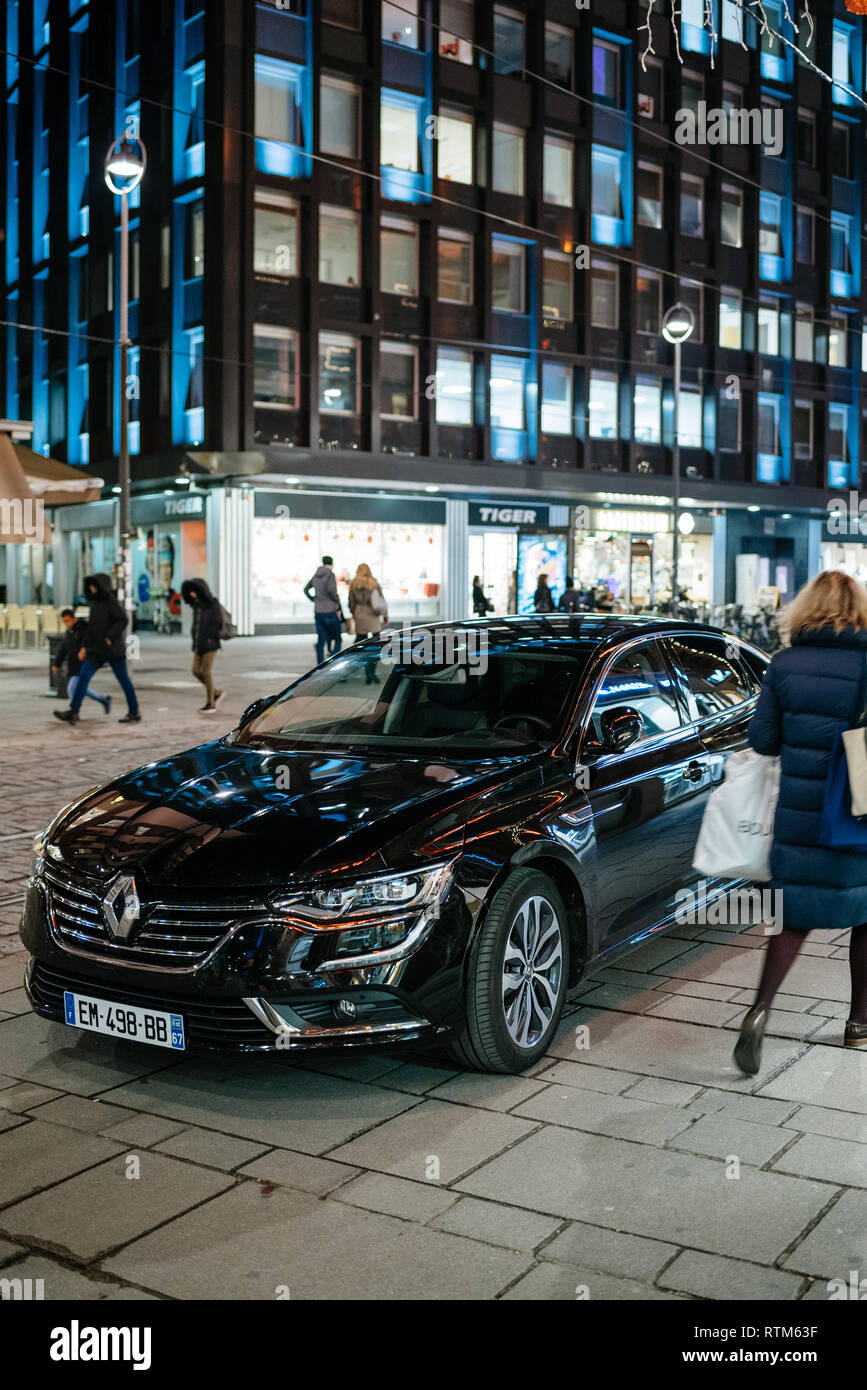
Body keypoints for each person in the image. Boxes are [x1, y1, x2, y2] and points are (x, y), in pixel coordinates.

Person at [734, 570, 867, 1074]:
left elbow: (764, 740)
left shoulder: (784, 664)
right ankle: (859, 1022)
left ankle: (760, 1010)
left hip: (800, 818)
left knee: (792, 918)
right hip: (860, 813)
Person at [53, 573, 140, 724]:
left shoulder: (110, 602)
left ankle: (134, 712)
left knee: (124, 680)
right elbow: (91, 629)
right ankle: (74, 711)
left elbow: (122, 620)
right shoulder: (94, 604)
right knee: (83, 678)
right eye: (90, 586)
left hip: (112, 651)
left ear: (101, 586)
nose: (92, 589)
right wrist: (84, 647)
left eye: (95, 586)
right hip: (96, 651)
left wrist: (109, 638)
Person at [52, 608, 111, 715]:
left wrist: (85, 651)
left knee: (72, 689)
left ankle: (74, 712)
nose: (66, 624)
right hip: (74, 666)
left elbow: (91, 643)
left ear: (74, 619)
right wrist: (57, 663)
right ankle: (103, 699)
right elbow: (63, 649)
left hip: (83, 665)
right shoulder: (69, 632)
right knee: (80, 688)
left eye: (67, 621)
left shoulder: (83, 629)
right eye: (64, 621)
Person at [181, 579, 224, 714]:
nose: (192, 594)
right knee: (195, 671)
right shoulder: (196, 605)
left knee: (206, 672)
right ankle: (215, 692)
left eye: (193, 591)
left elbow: (218, 622)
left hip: (211, 644)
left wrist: (210, 636)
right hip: (198, 644)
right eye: (189, 592)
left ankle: (210, 704)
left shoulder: (212, 603)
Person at [348, 564, 389, 684]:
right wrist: (385, 616)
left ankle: (366, 671)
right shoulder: (374, 583)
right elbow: (382, 600)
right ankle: (372, 672)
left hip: (360, 614)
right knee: (377, 644)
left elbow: (351, 602)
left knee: (362, 643)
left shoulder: (354, 584)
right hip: (373, 616)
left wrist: (354, 613)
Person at [304, 555, 344, 665]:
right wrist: (336, 601)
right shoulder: (330, 574)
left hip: (318, 611)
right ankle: (334, 663)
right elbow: (332, 591)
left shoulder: (316, 575)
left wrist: (314, 599)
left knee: (321, 641)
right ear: (332, 563)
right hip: (330, 611)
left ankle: (320, 665)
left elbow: (306, 589)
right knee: (337, 639)